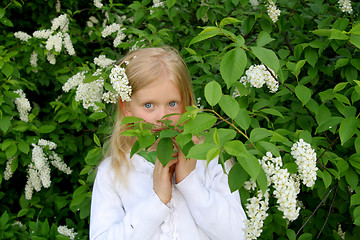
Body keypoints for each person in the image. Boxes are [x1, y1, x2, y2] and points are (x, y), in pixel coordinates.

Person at [90, 47, 247, 240]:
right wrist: (156, 201)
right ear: (127, 106)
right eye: (149, 105)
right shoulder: (113, 172)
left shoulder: (210, 157)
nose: (162, 117)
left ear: (187, 103)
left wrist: (189, 182)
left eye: (173, 103)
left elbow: (239, 234)